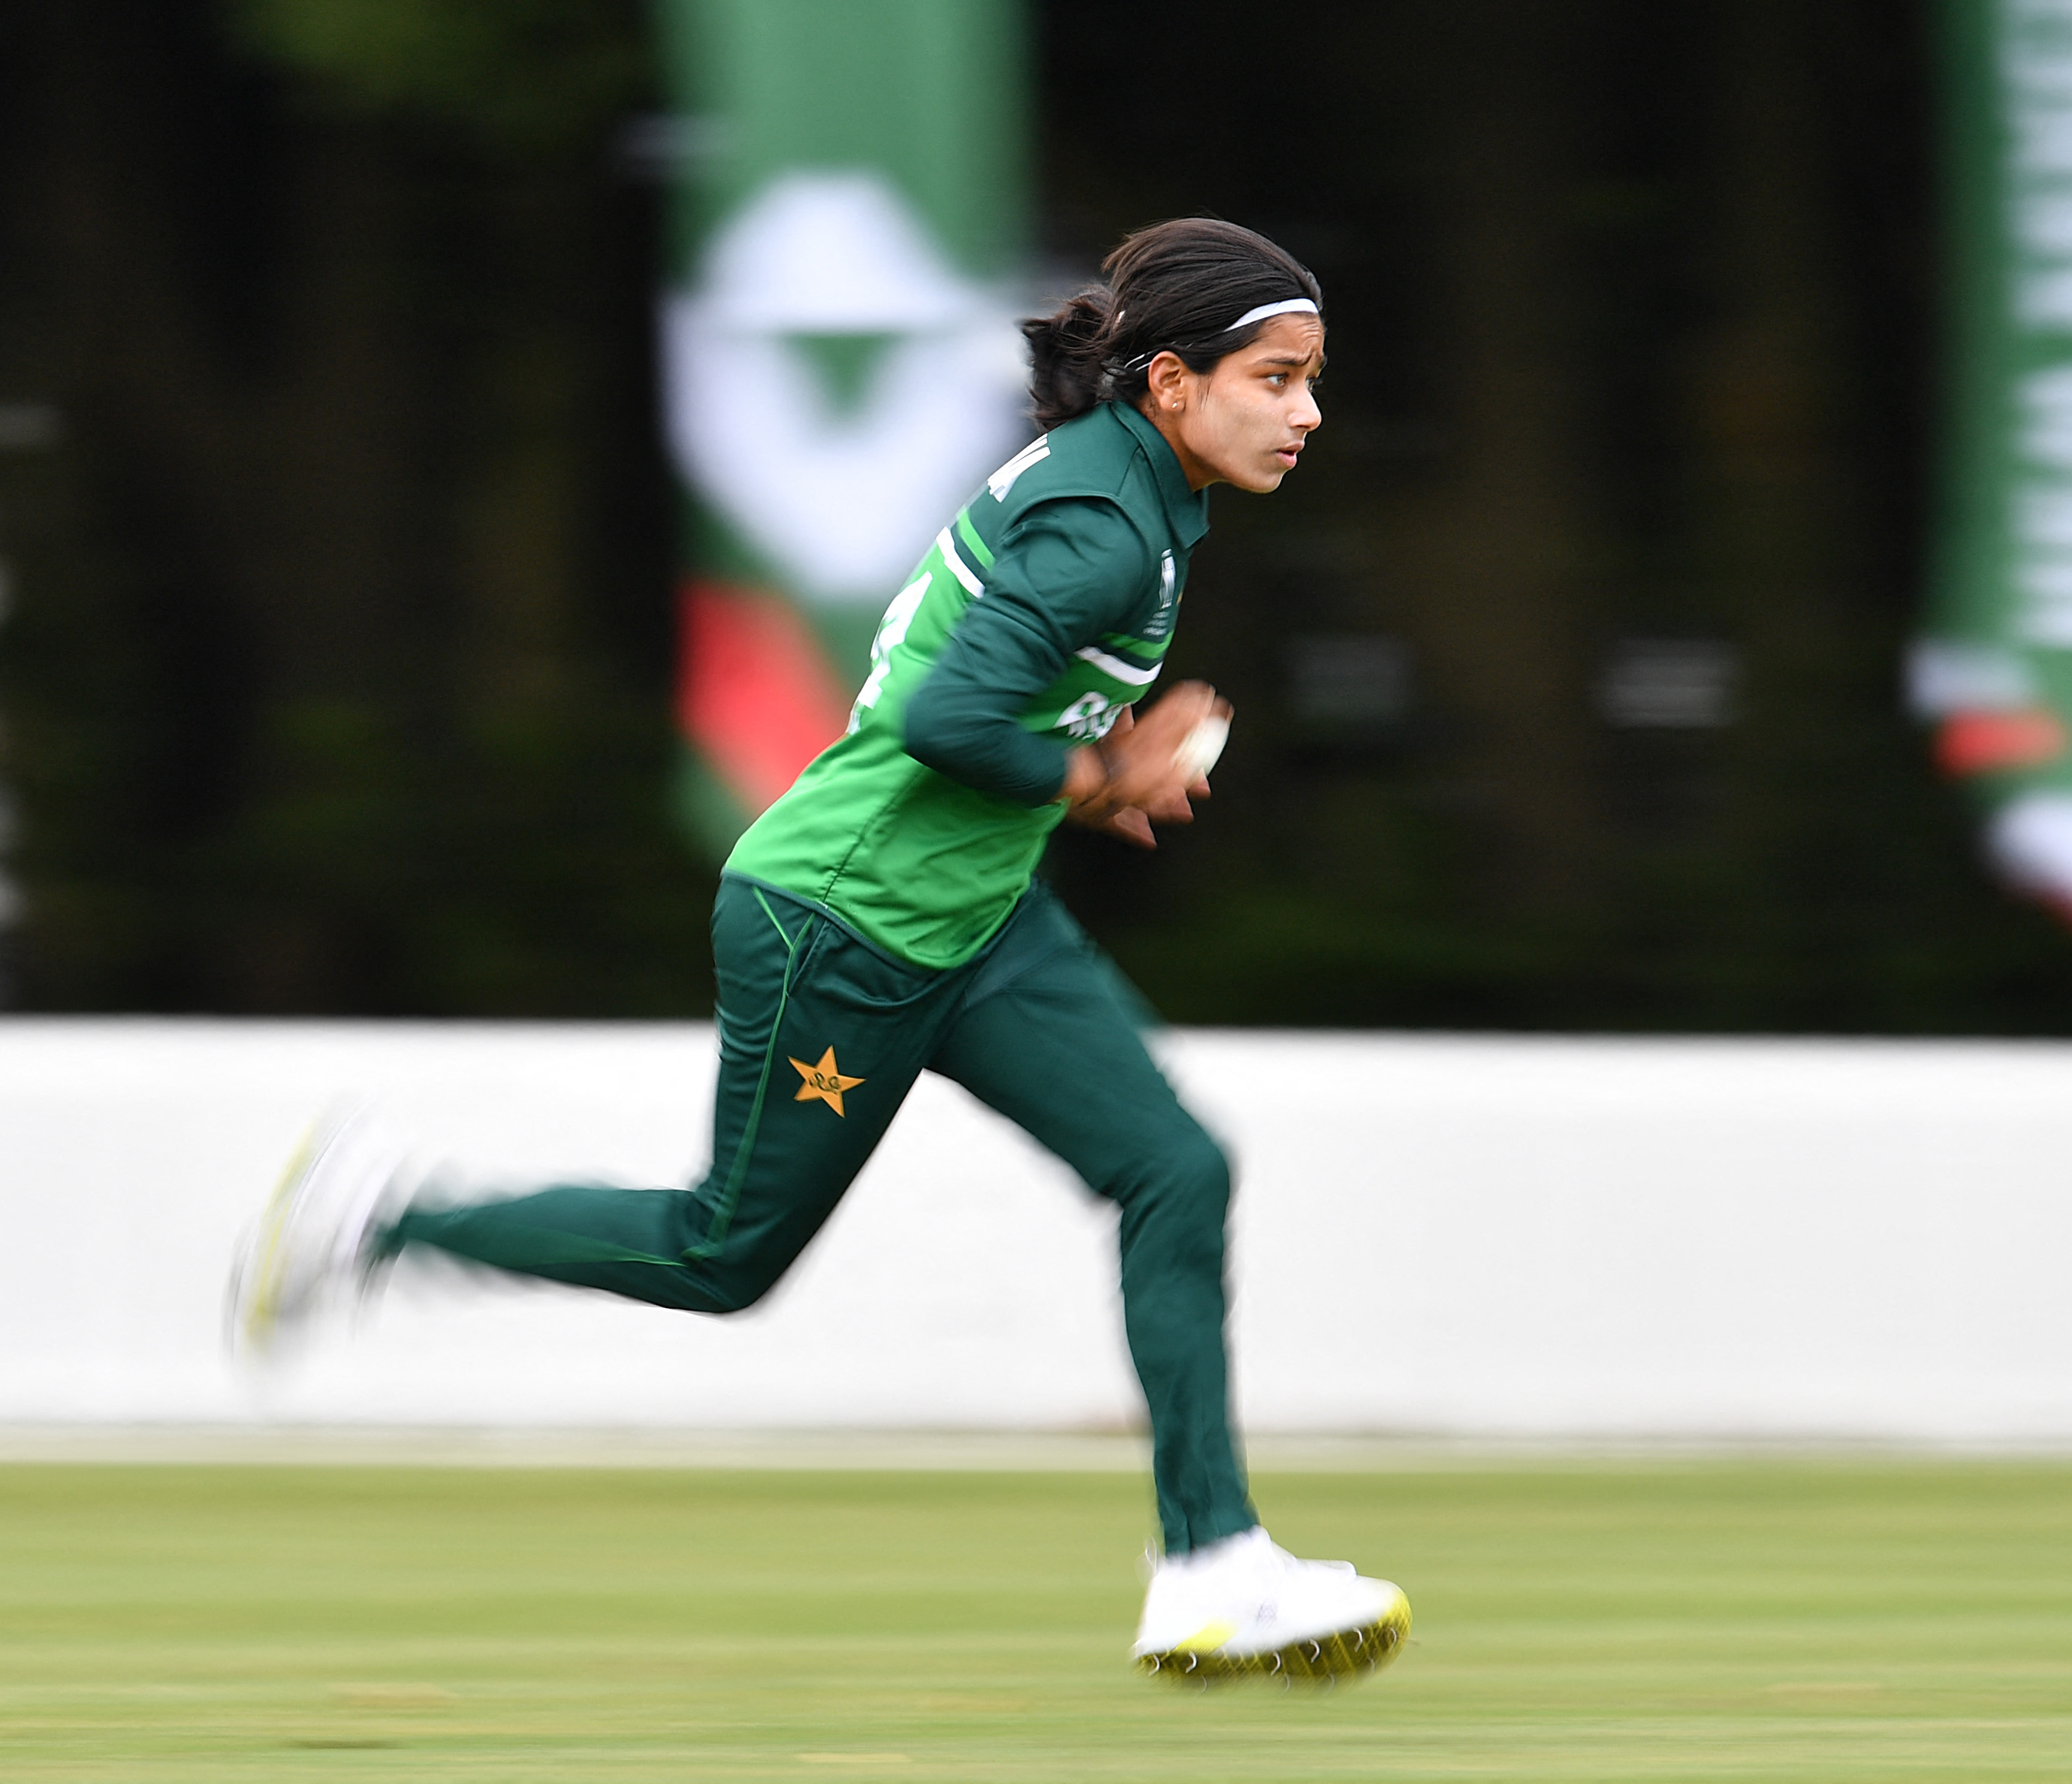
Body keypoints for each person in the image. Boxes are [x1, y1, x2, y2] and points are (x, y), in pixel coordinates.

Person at [230, 218, 1408, 1685]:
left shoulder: (1135, 489)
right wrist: (1106, 778)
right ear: (1171, 382)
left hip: (973, 918)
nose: (1307, 412)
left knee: (1176, 1167)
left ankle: (1212, 1566)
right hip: (841, 927)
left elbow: (985, 701)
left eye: (1311, 380)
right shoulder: (1107, 528)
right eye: (1279, 379)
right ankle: (386, 1217)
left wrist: (1098, 762)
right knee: (725, 1256)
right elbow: (946, 724)